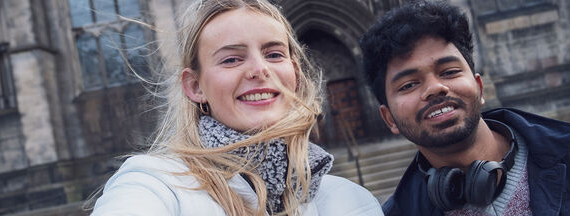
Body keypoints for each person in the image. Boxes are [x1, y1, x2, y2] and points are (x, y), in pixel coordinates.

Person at [90, 0, 382, 215]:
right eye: (231, 59)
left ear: (294, 74)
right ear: (195, 86)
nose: (259, 69)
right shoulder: (156, 184)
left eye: (274, 54)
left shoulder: (351, 201)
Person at [359, 0, 570, 215]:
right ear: (389, 118)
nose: (435, 88)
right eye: (408, 84)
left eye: (448, 71)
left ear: (480, 87)